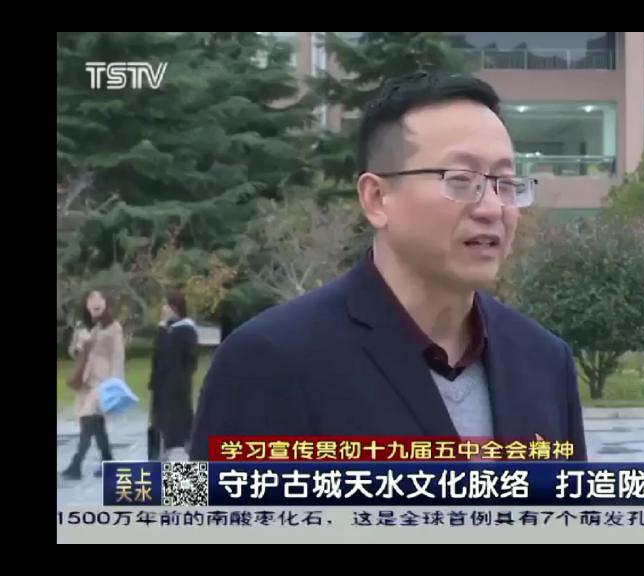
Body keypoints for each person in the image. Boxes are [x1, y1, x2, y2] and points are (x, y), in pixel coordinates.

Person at [191, 72, 587, 460]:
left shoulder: (545, 362)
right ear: (376, 198)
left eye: (505, 182)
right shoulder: (269, 360)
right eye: (461, 180)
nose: (492, 208)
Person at [61, 290, 125, 480]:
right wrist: (79, 347)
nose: (94, 303)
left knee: (88, 420)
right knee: (94, 424)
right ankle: (108, 461)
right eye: (91, 300)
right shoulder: (83, 326)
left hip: (102, 381)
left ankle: (76, 465)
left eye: (98, 299)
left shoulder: (113, 327)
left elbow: (117, 356)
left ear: (106, 303)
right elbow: (72, 351)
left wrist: (115, 383)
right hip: (84, 380)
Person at [149, 290, 199, 461]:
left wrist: (183, 376)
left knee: (178, 416)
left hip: (178, 382)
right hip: (161, 382)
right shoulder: (164, 328)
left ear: (175, 307)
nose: (164, 308)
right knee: (160, 418)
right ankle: (161, 452)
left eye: (167, 305)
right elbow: (157, 355)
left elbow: (191, 358)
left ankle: (186, 445)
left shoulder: (186, 329)